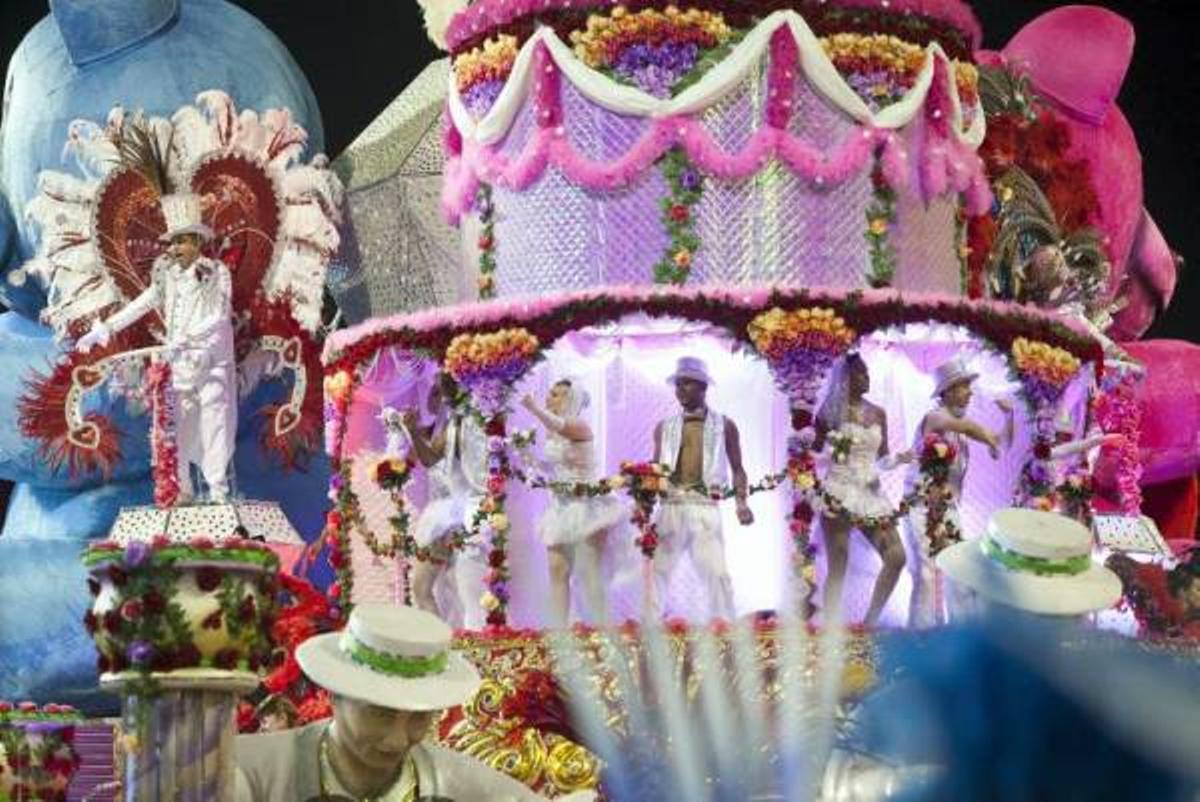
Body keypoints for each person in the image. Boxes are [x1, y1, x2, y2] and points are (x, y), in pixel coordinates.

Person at [235, 604, 596, 801]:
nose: (398, 739)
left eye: (418, 718)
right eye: (380, 714)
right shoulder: (254, 770)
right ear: (334, 695)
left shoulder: (456, 782)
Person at [76, 193, 235, 502]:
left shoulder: (218, 273)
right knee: (178, 427)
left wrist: (189, 337)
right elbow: (142, 304)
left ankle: (218, 492)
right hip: (182, 366)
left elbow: (220, 315)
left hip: (213, 362)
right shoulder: (168, 276)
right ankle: (184, 490)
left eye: (181, 242)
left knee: (215, 423)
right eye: (172, 242)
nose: (174, 248)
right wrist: (104, 330)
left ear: (197, 242)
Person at [904, 355, 1014, 627]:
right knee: (927, 572)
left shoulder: (961, 430)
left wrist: (1009, 415)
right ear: (948, 391)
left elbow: (1001, 442)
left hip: (948, 507)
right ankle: (922, 635)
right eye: (964, 386)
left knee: (959, 569)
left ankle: (959, 633)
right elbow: (969, 427)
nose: (970, 392)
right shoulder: (934, 417)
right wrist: (988, 439)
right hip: (921, 504)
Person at [651, 356, 754, 621]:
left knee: (717, 573)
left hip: (705, 507)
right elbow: (653, 471)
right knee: (656, 571)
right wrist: (643, 504)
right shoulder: (664, 427)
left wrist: (742, 503)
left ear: (703, 387)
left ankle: (724, 630)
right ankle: (649, 630)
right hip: (671, 506)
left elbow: (738, 469)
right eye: (677, 384)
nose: (680, 390)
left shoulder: (724, 425)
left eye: (687, 383)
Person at [814, 353, 909, 627]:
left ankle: (869, 623)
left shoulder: (878, 412)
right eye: (861, 373)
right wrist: (832, 453)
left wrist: (899, 459)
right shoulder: (829, 411)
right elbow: (813, 454)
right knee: (839, 564)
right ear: (845, 378)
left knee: (896, 557)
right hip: (838, 490)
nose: (867, 377)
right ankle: (831, 630)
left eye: (867, 372)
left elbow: (883, 459)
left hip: (871, 494)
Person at [522, 379, 625, 627]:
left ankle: (603, 631)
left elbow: (557, 424)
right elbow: (553, 466)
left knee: (588, 574)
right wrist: (525, 455)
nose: (549, 398)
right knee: (557, 570)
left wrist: (533, 408)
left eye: (556, 395)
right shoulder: (553, 430)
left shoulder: (580, 426)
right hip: (561, 507)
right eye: (550, 394)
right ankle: (559, 634)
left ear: (572, 400)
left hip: (586, 507)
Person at [402, 373, 490, 629]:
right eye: (438, 389)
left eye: (442, 388)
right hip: (446, 516)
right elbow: (430, 459)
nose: (439, 396)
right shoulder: (451, 425)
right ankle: (440, 644)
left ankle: (466, 645)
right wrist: (412, 432)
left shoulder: (481, 420)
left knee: (469, 596)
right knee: (422, 588)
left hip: (476, 515)